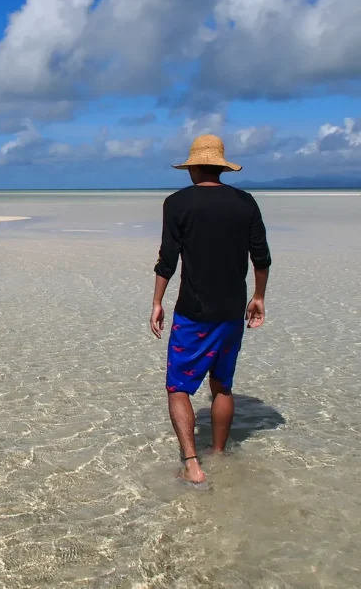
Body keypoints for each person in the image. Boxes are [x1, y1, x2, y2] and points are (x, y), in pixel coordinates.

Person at [149, 134, 272, 485]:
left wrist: (157, 302)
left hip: (193, 312)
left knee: (178, 388)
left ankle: (192, 464)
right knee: (222, 387)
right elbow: (261, 258)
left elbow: (167, 260)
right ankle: (219, 455)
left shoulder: (176, 203)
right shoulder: (245, 202)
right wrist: (259, 297)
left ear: (194, 167)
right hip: (232, 311)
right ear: (219, 166)